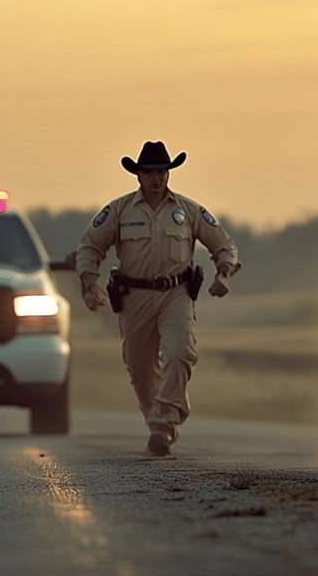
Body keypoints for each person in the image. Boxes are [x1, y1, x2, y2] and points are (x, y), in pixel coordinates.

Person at [76, 140, 242, 456]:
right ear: (138, 175)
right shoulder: (119, 211)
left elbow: (224, 246)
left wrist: (223, 274)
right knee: (139, 367)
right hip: (134, 296)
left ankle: (164, 425)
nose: (156, 178)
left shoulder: (189, 211)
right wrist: (87, 281)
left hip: (176, 294)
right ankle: (158, 422)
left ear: (169, 173)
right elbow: (90, 246)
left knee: (180, 352)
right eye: (150, 172)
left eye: (162, 172)